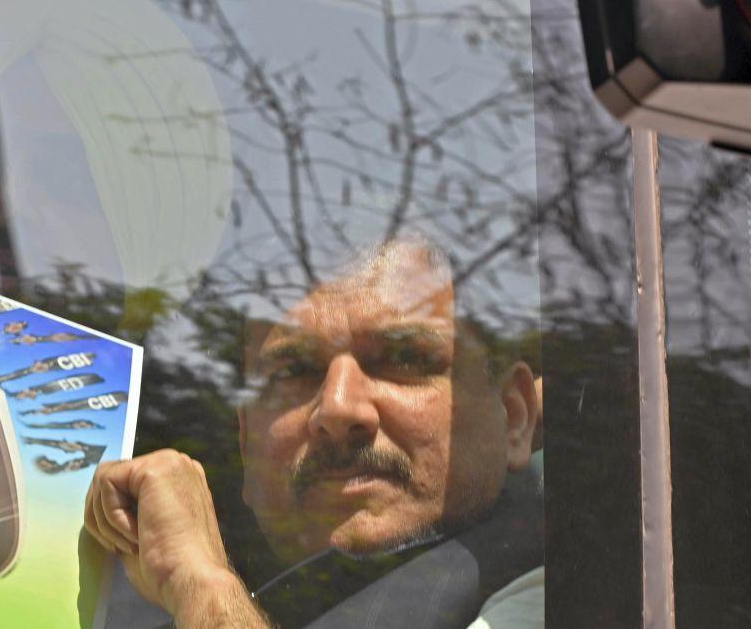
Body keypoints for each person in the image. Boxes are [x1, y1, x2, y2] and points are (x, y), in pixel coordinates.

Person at [84, 237, 543, 628]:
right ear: (246, 445)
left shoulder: (555, 594)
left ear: (515, 416)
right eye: (294, 371)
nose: (338, 407)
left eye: (404, 359)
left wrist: (202, 587)